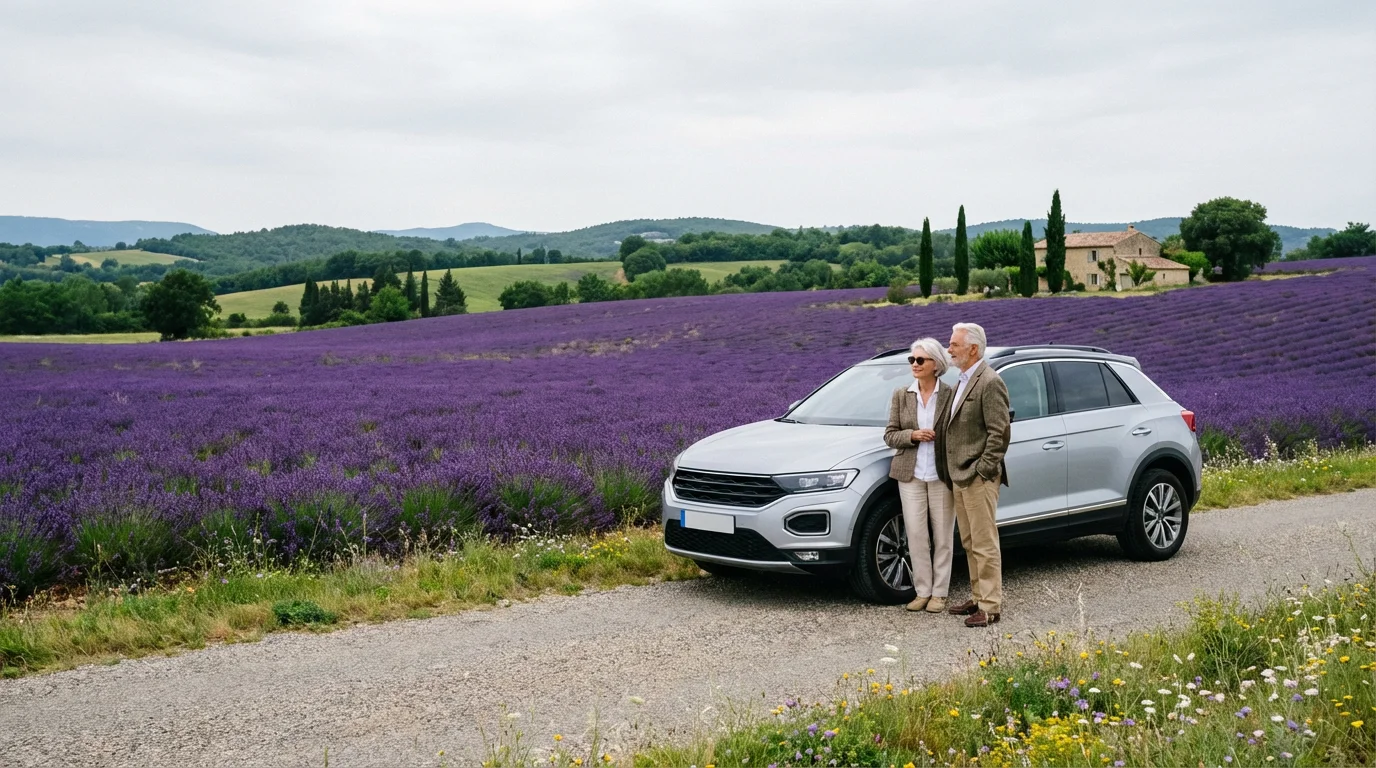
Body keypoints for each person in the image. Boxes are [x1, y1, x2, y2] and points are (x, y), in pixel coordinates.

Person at [940, 322, 1011, 628]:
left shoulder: (989, 381)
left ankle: (991, 607)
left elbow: (1000, 433)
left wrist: (982, 470)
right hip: (960, 475)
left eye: (954, 344)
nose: (949, 348)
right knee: (969, 541)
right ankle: (978, 597)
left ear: (973, 349)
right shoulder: (963, 380)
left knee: (984, 542)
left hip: (977, 476)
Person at [883, 338, 956, 614]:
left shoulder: (950, 394)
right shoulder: (902, 394)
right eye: (912, 360)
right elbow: (890, 434)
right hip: (910, 474)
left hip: (940, 474)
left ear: (935, 364)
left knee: (943, 536)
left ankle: (940, 593)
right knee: (915, 534)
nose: (914, 364)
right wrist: (912, 435)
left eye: (920, 360)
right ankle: (922, 591)